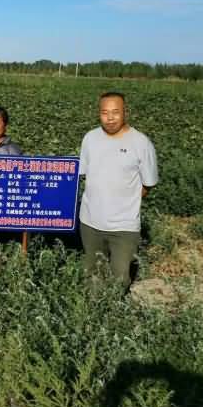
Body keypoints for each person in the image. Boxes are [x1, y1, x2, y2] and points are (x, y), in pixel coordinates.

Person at [79, 91, 158, 290]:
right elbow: (84, 174)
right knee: (91, 274)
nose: (110, 118)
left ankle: (114, 307)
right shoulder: (90, 138)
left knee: (120, 278)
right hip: (90, 222)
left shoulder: (141, 143)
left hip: (124, 226)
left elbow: (148, 183)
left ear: (125, 112)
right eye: (105, 113)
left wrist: (125, 202)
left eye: (116, 112)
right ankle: (93, 309)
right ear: (99, 113)